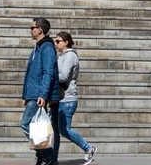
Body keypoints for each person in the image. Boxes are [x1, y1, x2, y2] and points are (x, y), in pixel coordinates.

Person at [21, 16, 61, 165]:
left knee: (25, 124)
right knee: (36, 126)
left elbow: (48, 73)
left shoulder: (47, 48)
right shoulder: (38, 47)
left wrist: (43, 94)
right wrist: (26, 95)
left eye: (33, 27)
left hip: (38, 93)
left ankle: (47, 155)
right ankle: (43, 157)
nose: (30, 30)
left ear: (40, 30)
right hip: (33, 93)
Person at [52, 31, 96, 164]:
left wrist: (50, 76)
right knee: (58, 130)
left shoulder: (70, 56)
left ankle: (88, 148)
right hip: (61, 98)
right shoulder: (62, 56)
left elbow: (63, 76)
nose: (56, 43)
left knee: (65, 130)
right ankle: (52, 158)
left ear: (66, 42)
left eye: (58, 41)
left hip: (68, 99)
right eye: (55, 41)